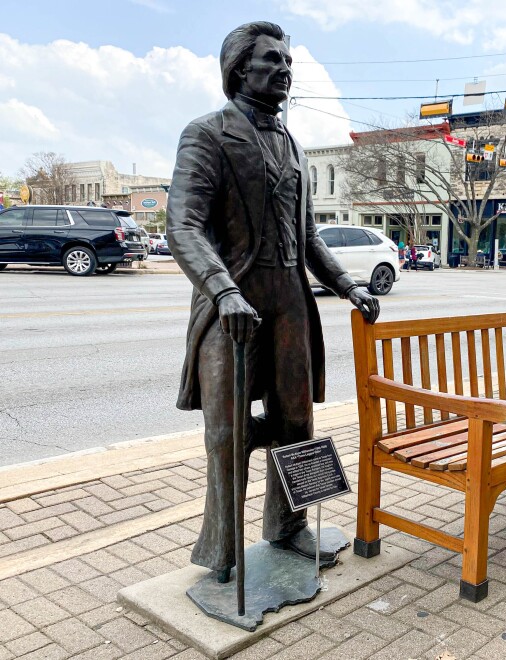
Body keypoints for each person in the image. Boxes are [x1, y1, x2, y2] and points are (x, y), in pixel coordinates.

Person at [166, 21, 379, 583]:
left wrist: (348, 286)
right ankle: (222, 550)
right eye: (273, 60)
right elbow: (182, 227)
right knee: (227, 434)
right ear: (240, 69)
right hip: (232, 301)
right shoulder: (207, 134)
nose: (285, 69)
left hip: (288, 301)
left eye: (289, 62)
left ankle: (286, 526)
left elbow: (308, 237)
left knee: (296, 422)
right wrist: (222, 290)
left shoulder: (292, 146)